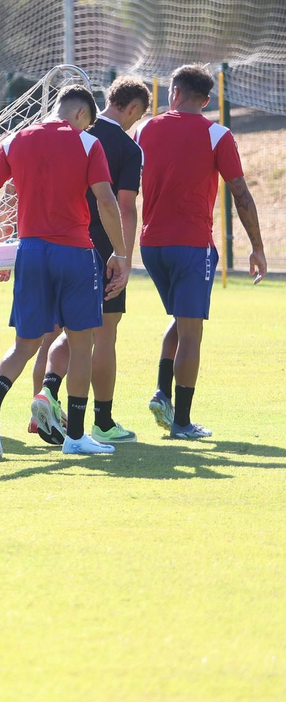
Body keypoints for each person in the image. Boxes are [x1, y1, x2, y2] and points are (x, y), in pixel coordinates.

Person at [0, 85, 131, 459]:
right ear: (82, 115)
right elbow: (106, 200)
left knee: (24, 344)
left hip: (30, 252)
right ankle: (77, 436)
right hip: (75, 253)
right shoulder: (86, 144)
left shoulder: (16, 139)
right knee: (82, 344)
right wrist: (119, 251)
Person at [134, 64, 267, 439]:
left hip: (151, 245)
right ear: (206, 100)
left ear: (172, 91)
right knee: (192, 332)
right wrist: (257, 247)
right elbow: (240, 194)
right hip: (191, 245)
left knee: (180, 319)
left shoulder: (144, 129)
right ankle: (182, 423)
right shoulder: (217, 134)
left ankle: (162, 392)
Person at [28, 77, 151, 444]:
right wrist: (124, 256)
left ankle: (41, 414)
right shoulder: (127, 148)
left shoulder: (60, 132)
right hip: (99, 246)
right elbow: (124, 207)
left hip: (50, 241)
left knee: (51, 332)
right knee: (101, 335)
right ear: (132, 109)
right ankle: (102, 421)